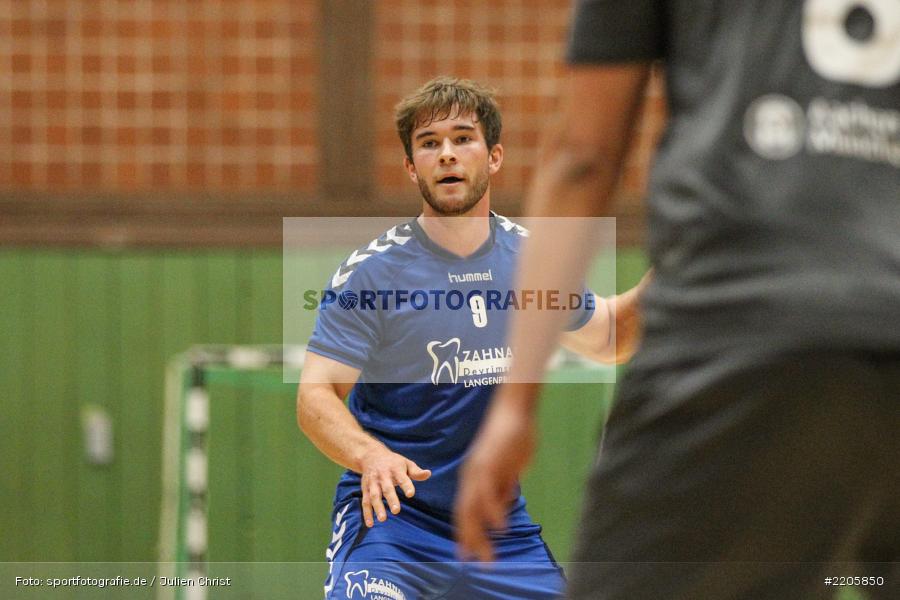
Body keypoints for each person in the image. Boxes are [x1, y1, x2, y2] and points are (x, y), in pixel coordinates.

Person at [456, 2, 900, 599]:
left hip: (743, 349)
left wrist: (515, 406)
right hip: (860, 354)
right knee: (841, 567)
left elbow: (584, 158)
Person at [296, 76, 647, 599]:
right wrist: (369, 456)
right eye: (430, 144)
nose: (447, 155)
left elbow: (610, 338)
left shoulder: (532, 262)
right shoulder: (373, 274)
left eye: (463, 138)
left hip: (496, 531)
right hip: (394, 525)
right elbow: (314, 394)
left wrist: (687, 261)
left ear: (495, 156)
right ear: (412, 167)